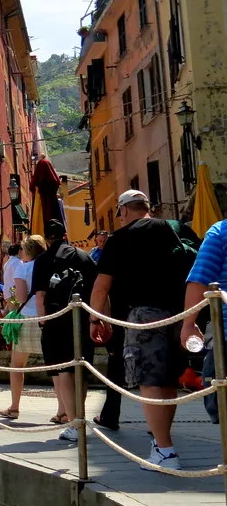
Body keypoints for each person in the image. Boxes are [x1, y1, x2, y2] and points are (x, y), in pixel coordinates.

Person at [88, 191, 188, 467]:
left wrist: (96, 320)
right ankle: (161, 441)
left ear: (123, 211)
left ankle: (166, 451)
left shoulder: (120, 239)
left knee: (150, 381)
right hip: (179, 312)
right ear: (147, 207)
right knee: (168, 380)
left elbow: (102, 285)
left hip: (142, 314)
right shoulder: (172, 228)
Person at [32, 220, 97, 440]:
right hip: (82, 318)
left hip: (56, 320)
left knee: (64, 371)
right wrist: (98, 320)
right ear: (65, 235)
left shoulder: (42, 261)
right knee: (81, 369)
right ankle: (81, 417)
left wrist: (43, 321)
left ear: (46, 238)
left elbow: (40, 296)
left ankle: (74, 423)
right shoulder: (82, 256)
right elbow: (97, 289)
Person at [182, 218, 226, 424]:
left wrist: (188, 324)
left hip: (225, 334)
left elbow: (200, 278)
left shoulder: (220, 232)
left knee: (220, 402)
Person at [0, 234, 46, 420]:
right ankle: (63, 411)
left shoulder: (22, 268)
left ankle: (14, 407)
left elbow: (19, 296)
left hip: (27, 318)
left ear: (27, 251)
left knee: (17, 365)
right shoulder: (50, 266)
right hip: (47, 318)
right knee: (58, 367)